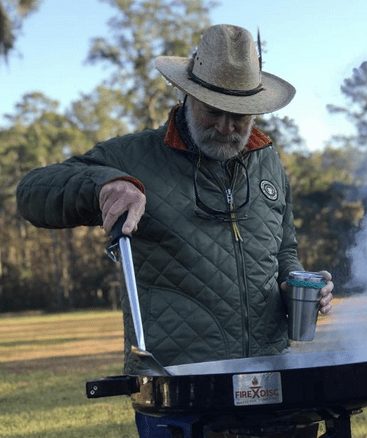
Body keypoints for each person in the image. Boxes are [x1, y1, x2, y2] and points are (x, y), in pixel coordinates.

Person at [17, 24, 333, 438]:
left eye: (238, 115)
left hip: (272, 384)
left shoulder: (268, 163)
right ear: (186, 96)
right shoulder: (133, 156)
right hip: (179, 394)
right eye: (212, 110)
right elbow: (31, 193)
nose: (226, 127)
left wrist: (298, 286)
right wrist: (104, 185)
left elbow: (283, 253)